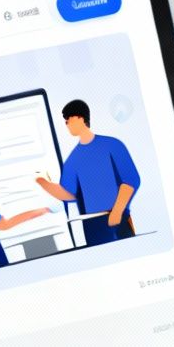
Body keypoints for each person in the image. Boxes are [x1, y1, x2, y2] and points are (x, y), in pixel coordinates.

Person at [35, 99, 141, 246]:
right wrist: (43, 183)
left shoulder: (111, 145)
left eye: (68, 119)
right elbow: (69, 194)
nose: (66, 123)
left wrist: (117, 211)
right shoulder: (73, 159)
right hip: (91, 226)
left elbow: (130, 180)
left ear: (80, 118)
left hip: (117, 220)